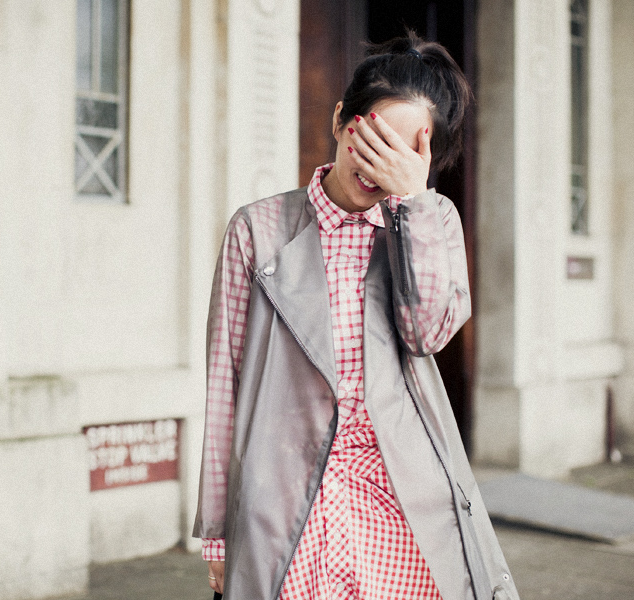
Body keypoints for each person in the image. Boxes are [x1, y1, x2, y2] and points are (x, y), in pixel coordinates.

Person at [193, 32, 519, 600]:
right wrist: (217, 534)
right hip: (288, 501)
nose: (377, 168)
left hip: (398, 496)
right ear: (342, 120)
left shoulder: (434, 221)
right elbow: (226, 385)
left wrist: (412, 205)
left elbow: (427, 333)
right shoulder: (258, 229)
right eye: (371, 141)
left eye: (402, 155)